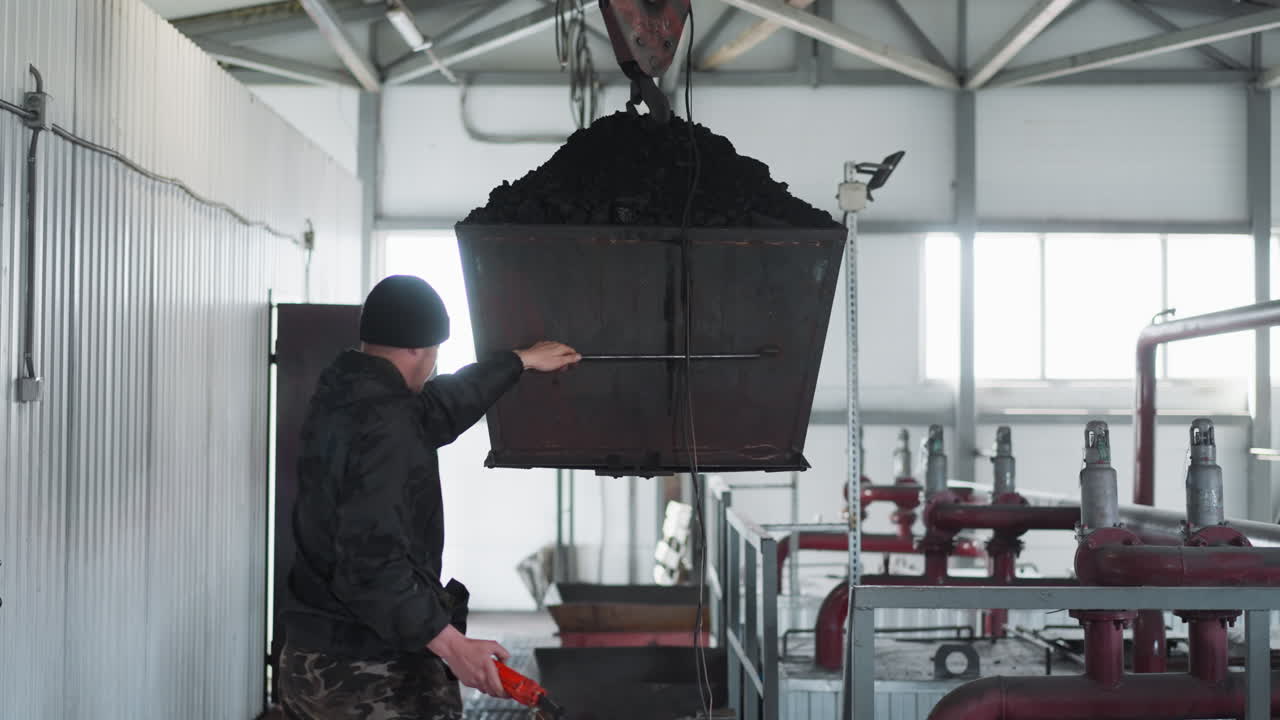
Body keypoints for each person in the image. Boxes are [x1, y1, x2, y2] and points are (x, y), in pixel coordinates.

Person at [278, 274, 580, 719]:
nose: (437, 364)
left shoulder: (348, 393)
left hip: (310, 655)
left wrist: (518, 362)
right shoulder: (385, 427)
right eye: (437, 351)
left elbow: (437, 408)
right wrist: (454, 646)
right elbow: (371, 562)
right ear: (419, 348)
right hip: (361, 673)